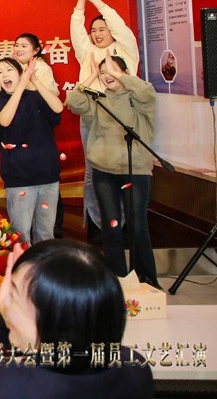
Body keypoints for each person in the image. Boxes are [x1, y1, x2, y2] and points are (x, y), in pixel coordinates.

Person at [0, 237, 153, 399]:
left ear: (49, 319)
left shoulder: (3, 385)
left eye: (12, 293)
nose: (4, 298)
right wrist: (13, 301)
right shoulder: (135, 366)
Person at [67, 54, 159, 286]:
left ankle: (146, 278)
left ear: (125, 72)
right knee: (111, 225)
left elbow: (146, 92)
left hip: (135, 170)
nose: (107, 76)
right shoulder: (99, 101)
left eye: (112, 71)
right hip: (104, 171)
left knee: (138, 226)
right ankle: (116, 277)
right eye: (103, 73)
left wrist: (120, 75)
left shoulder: (139, 98)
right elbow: (74, 103)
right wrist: (91, 76)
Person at [71, 0, 140, 239]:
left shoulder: (125, 51)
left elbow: (117, 22)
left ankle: (124, 225)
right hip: (92, 114)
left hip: (121, 116)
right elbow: (76, 26)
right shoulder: (86, 53)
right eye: (94, 30)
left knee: (122, 169)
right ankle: (99, 225)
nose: (97, 33)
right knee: (93, 171)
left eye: (102, 28)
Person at [0, 58, 63, 245]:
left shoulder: (35, 97)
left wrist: (34, 80)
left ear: (20, 74)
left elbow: (58, 107)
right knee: (20, 237)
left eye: (9, 69)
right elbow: (4, 121)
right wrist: (21, 85)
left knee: (46, 234)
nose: (4, 74)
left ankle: (44, 265)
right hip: (19, 178)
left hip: (48, 175)